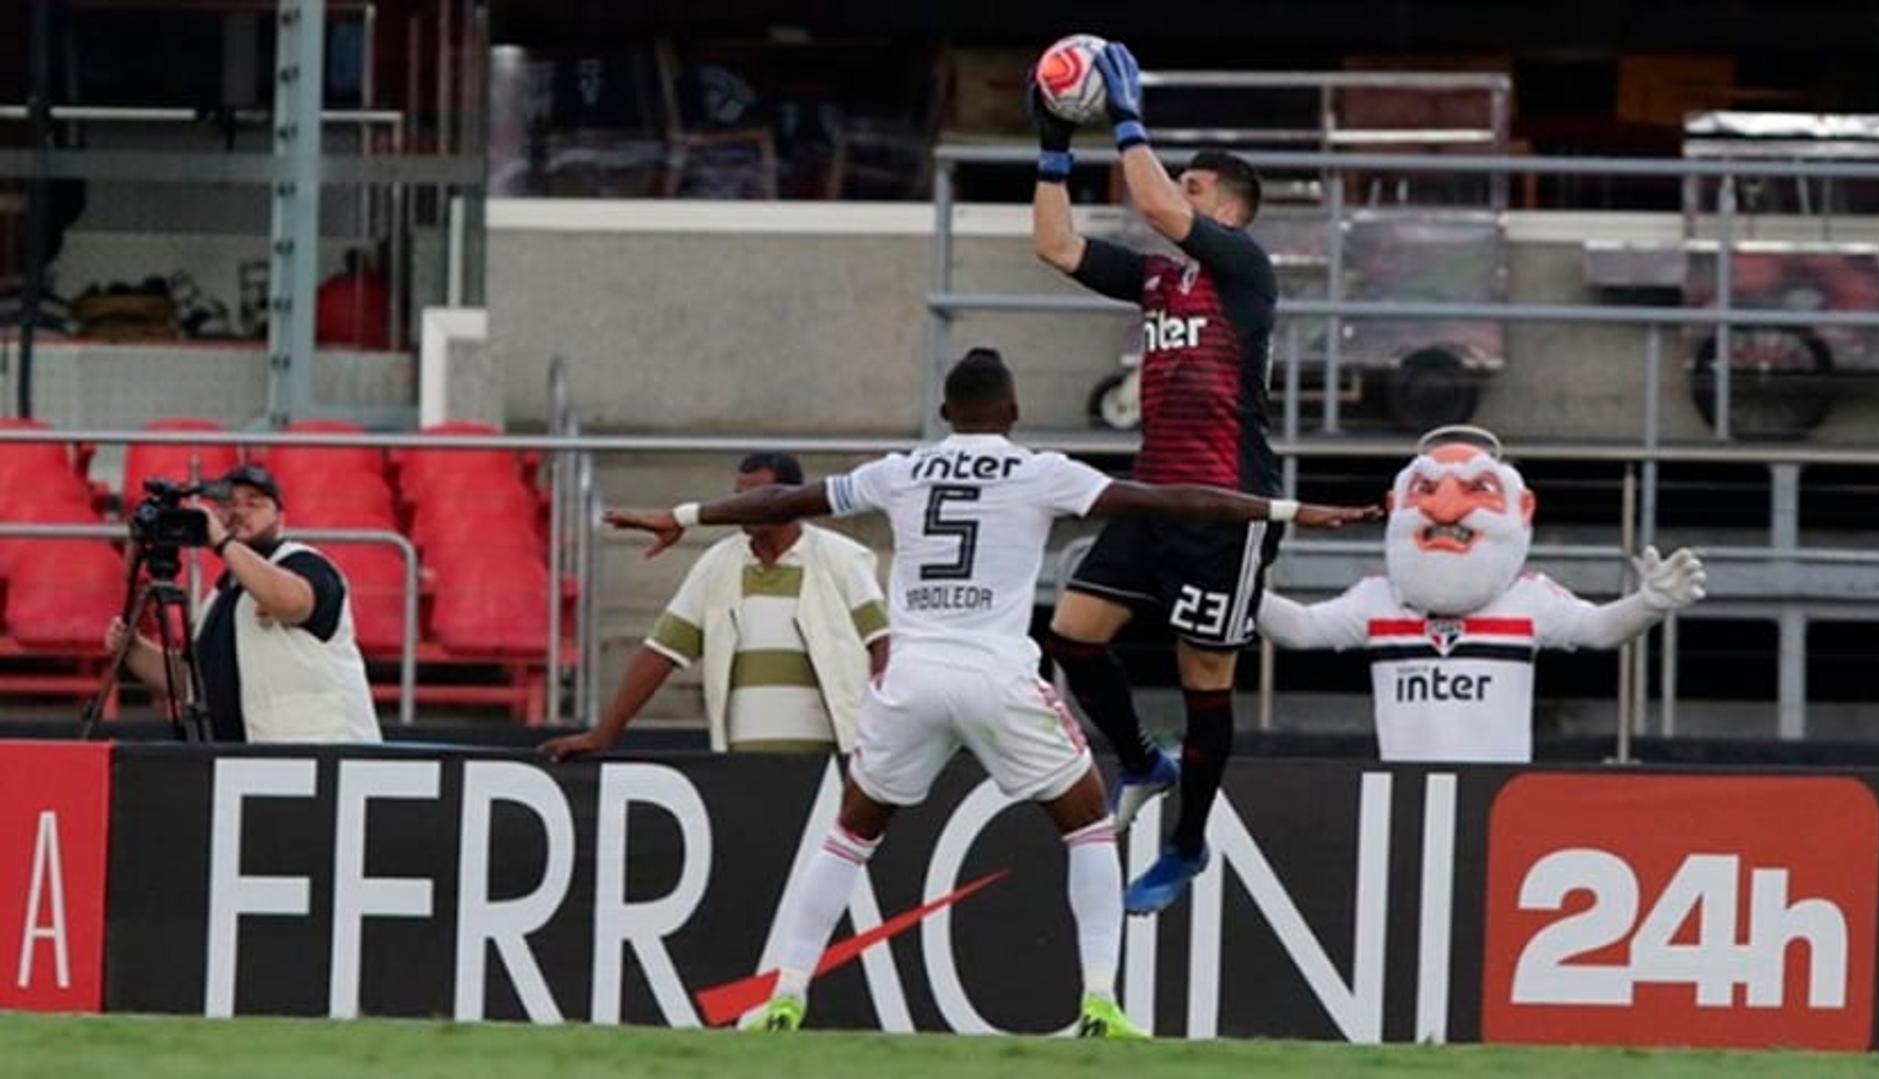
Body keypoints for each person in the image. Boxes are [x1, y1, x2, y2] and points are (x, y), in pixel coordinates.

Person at [604, 349, 1378, 1037]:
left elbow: (783, 502)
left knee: (849, 834)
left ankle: (786, 994)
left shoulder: (901, 469)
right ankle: (1101, 1001)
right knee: (1086, 829)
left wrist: (681, 515)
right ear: (1012, 411)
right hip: (999, 674)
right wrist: (1287, 509)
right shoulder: (1041, 470)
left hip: (908, 678)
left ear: (945, 414)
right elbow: (1175, 498)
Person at [1030, 40, 1285, 913]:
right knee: (1070, 635)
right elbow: (1056, 246)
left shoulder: (1244, 271)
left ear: (1227, 209)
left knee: (1202, 677)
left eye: (1194, 186)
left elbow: (1149, 198)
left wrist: (1127, 118)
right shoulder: (1159, 283)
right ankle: (1140, 758)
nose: (1177, 192)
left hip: (1225, 503)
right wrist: (1053, 148)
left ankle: (1186, 844)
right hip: (1152, 489)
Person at [1257, 427, 1709, 762]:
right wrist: (1235, 587)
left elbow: (1598, 630)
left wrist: (1649, 604)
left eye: (1476, 489)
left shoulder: (1528, 599)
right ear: (1396, 507)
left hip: (1499, 797)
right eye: (1426, 490)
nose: (1444, 507)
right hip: (1401, 793)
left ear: (1522, 509)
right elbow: (1301, 629)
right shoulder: (1378, 599)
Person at [541, 452, 888, 761]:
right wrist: (604, 733)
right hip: (742, 767)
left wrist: (882, 729)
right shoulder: (717, 564)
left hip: (832, 766)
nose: (743, 506)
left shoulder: (843, 558)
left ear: (791, 500)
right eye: (738, 496)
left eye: (756, 496)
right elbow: (660, 653)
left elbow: (883, 642)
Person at [105, 463, 381, 743]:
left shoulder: (305, 562)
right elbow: (193, 683)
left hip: (324, 757)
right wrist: (134, 649)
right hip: (248, 762)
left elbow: (291, 602)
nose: (239, 511)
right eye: (227, 505)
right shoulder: (221, 595)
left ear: (280, 516)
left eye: (254, 504)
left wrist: (222, 542)